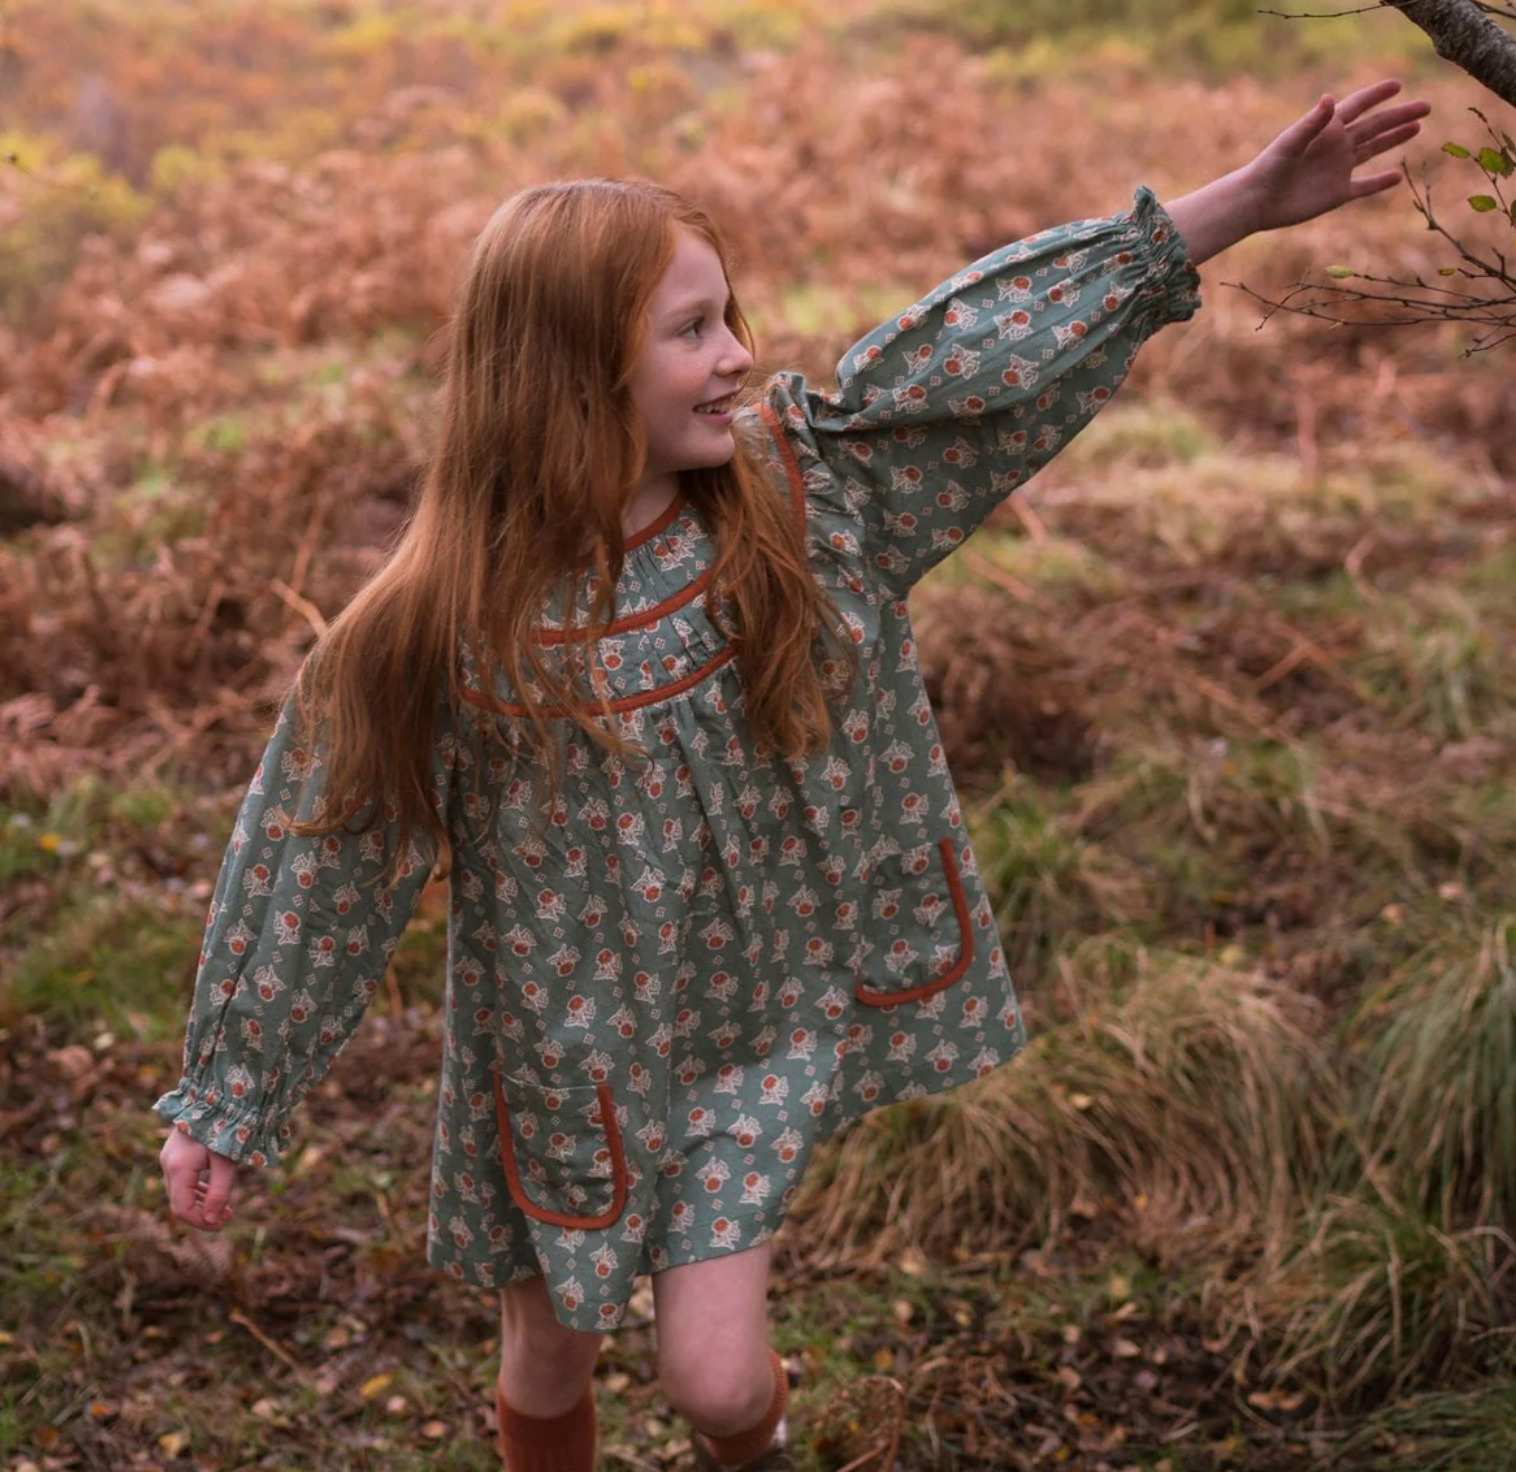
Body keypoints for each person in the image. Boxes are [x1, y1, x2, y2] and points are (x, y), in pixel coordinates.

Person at [156, 79, 1429, 1472]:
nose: (739, 356)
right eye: (693, 330)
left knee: (710, 1382)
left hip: (750, 1035)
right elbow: (316, 859)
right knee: (548, 1351)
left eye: (732, 315)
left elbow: (978, 363)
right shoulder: (432, 630)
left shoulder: (798, 498)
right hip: (564, 1065)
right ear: (573, 370)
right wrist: (233, 1095)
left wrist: (1228, 210)